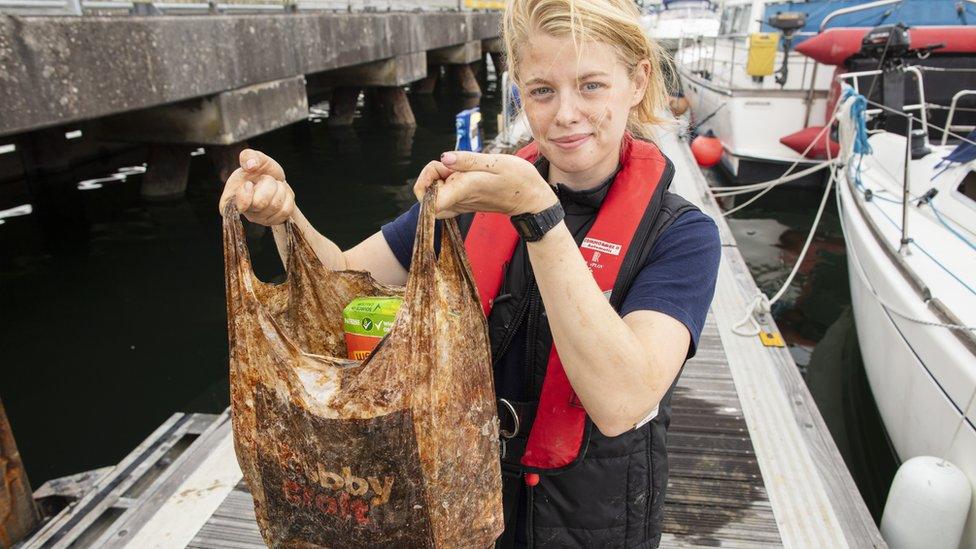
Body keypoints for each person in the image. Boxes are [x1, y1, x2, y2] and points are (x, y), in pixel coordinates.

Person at [219, 0, 720, 545]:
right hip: (459, 501)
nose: (565, 114)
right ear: (519, 91)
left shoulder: (682, 236)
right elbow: (339, 282)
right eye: (542, 90)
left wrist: (539, 216)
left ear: (637, 80)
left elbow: (622, 401)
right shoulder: (475, 201)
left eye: (592, 85)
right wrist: (285, 217)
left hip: (592, 519)